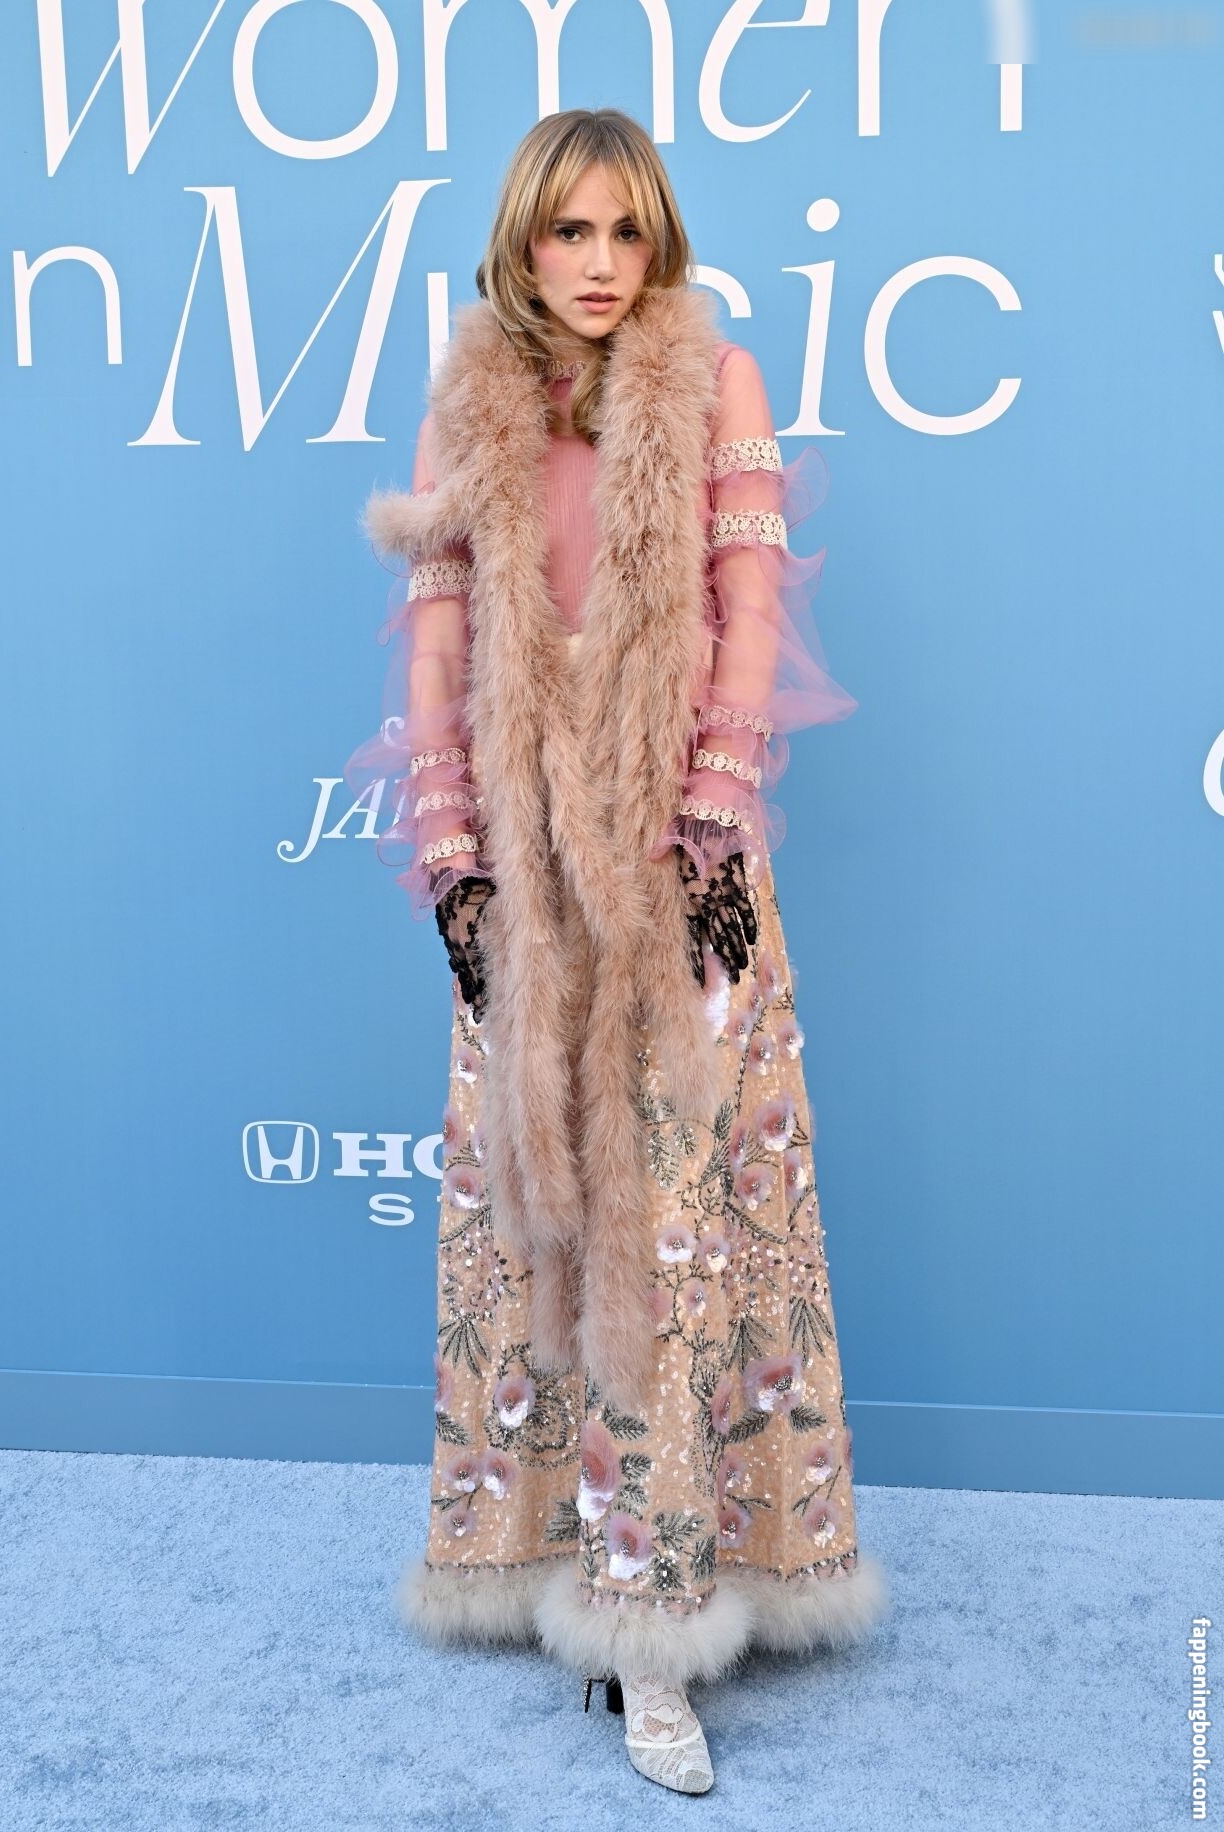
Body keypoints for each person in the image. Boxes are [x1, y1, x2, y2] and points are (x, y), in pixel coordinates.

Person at [344, 107, 890, 1795]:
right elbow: (436, 647)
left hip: (675, 863)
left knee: (681, 1228)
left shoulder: (712, 381)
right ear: (522, 242)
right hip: (524, 862)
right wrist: (453, 864)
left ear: (661, 244)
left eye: (626, 232)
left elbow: (751, 613)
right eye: (568, 232)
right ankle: (550, 1554)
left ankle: (661, 1625)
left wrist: (711, 824)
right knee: (538, 1202)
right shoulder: (471, 402)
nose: (598, 264)